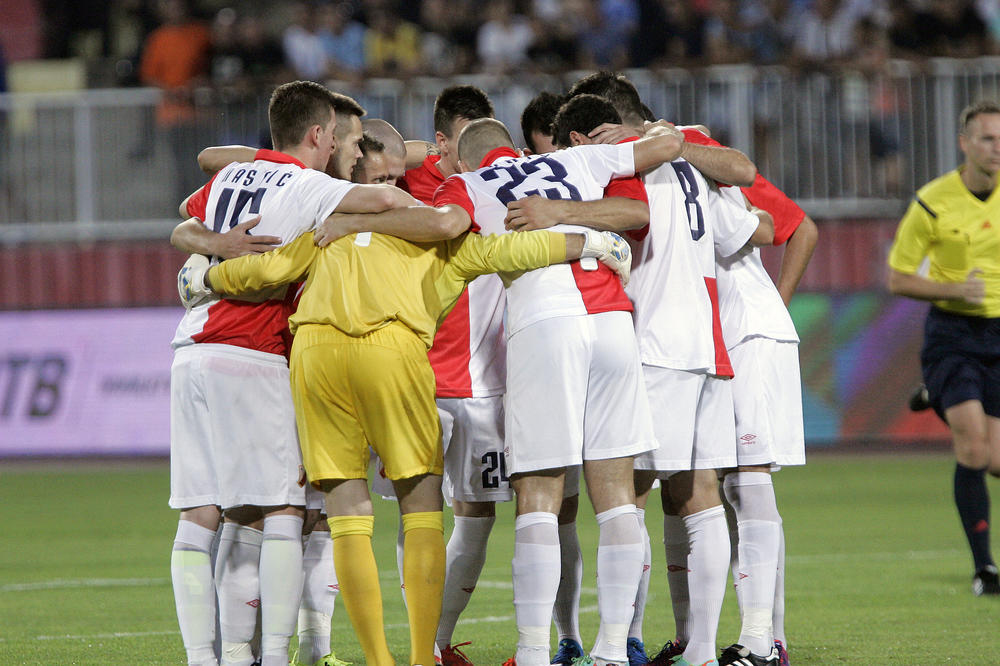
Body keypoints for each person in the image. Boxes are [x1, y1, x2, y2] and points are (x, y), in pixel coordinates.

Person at [177, 195, 635, 666]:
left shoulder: (328, 230)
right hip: (392, 351)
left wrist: (202, 278)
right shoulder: (444, 241)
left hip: (316, 355)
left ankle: (377, 659)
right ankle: (420, 657)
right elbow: (516, 251)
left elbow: (268, 270)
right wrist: (594, 242)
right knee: (421, 509)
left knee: (347, 514)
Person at [168, 80, 416, 666]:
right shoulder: (309, 184)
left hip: (191, 352)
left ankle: (210, 658)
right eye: (335, 136)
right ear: (316, 135)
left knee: (203, 512)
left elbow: (183, 222)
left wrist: (215, 245)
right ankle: (276, 656)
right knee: (285, 509)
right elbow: (381, 201)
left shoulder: (233, 177)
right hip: (253, 351)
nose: (339, 148)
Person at [432, 116, 681, 666]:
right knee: (617, 495)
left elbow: (439, 226)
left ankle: (534, 653)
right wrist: (635, 135)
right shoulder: (576, 160)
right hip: (614, 318)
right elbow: (669, 146)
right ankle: (614, 649)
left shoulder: (466, 185)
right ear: (518, 149)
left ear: (467, 161)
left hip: (544, 323)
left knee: (539, 496)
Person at [887, 99, 1000, 597]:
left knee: (994, 459)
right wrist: (954, 289)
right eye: (987, 139)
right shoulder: (933, 201)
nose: (996, 148)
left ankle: (939, 400)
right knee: (973, 445)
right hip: (954, 334)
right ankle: (985, 570)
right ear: (964, 144)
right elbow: (896, 277)